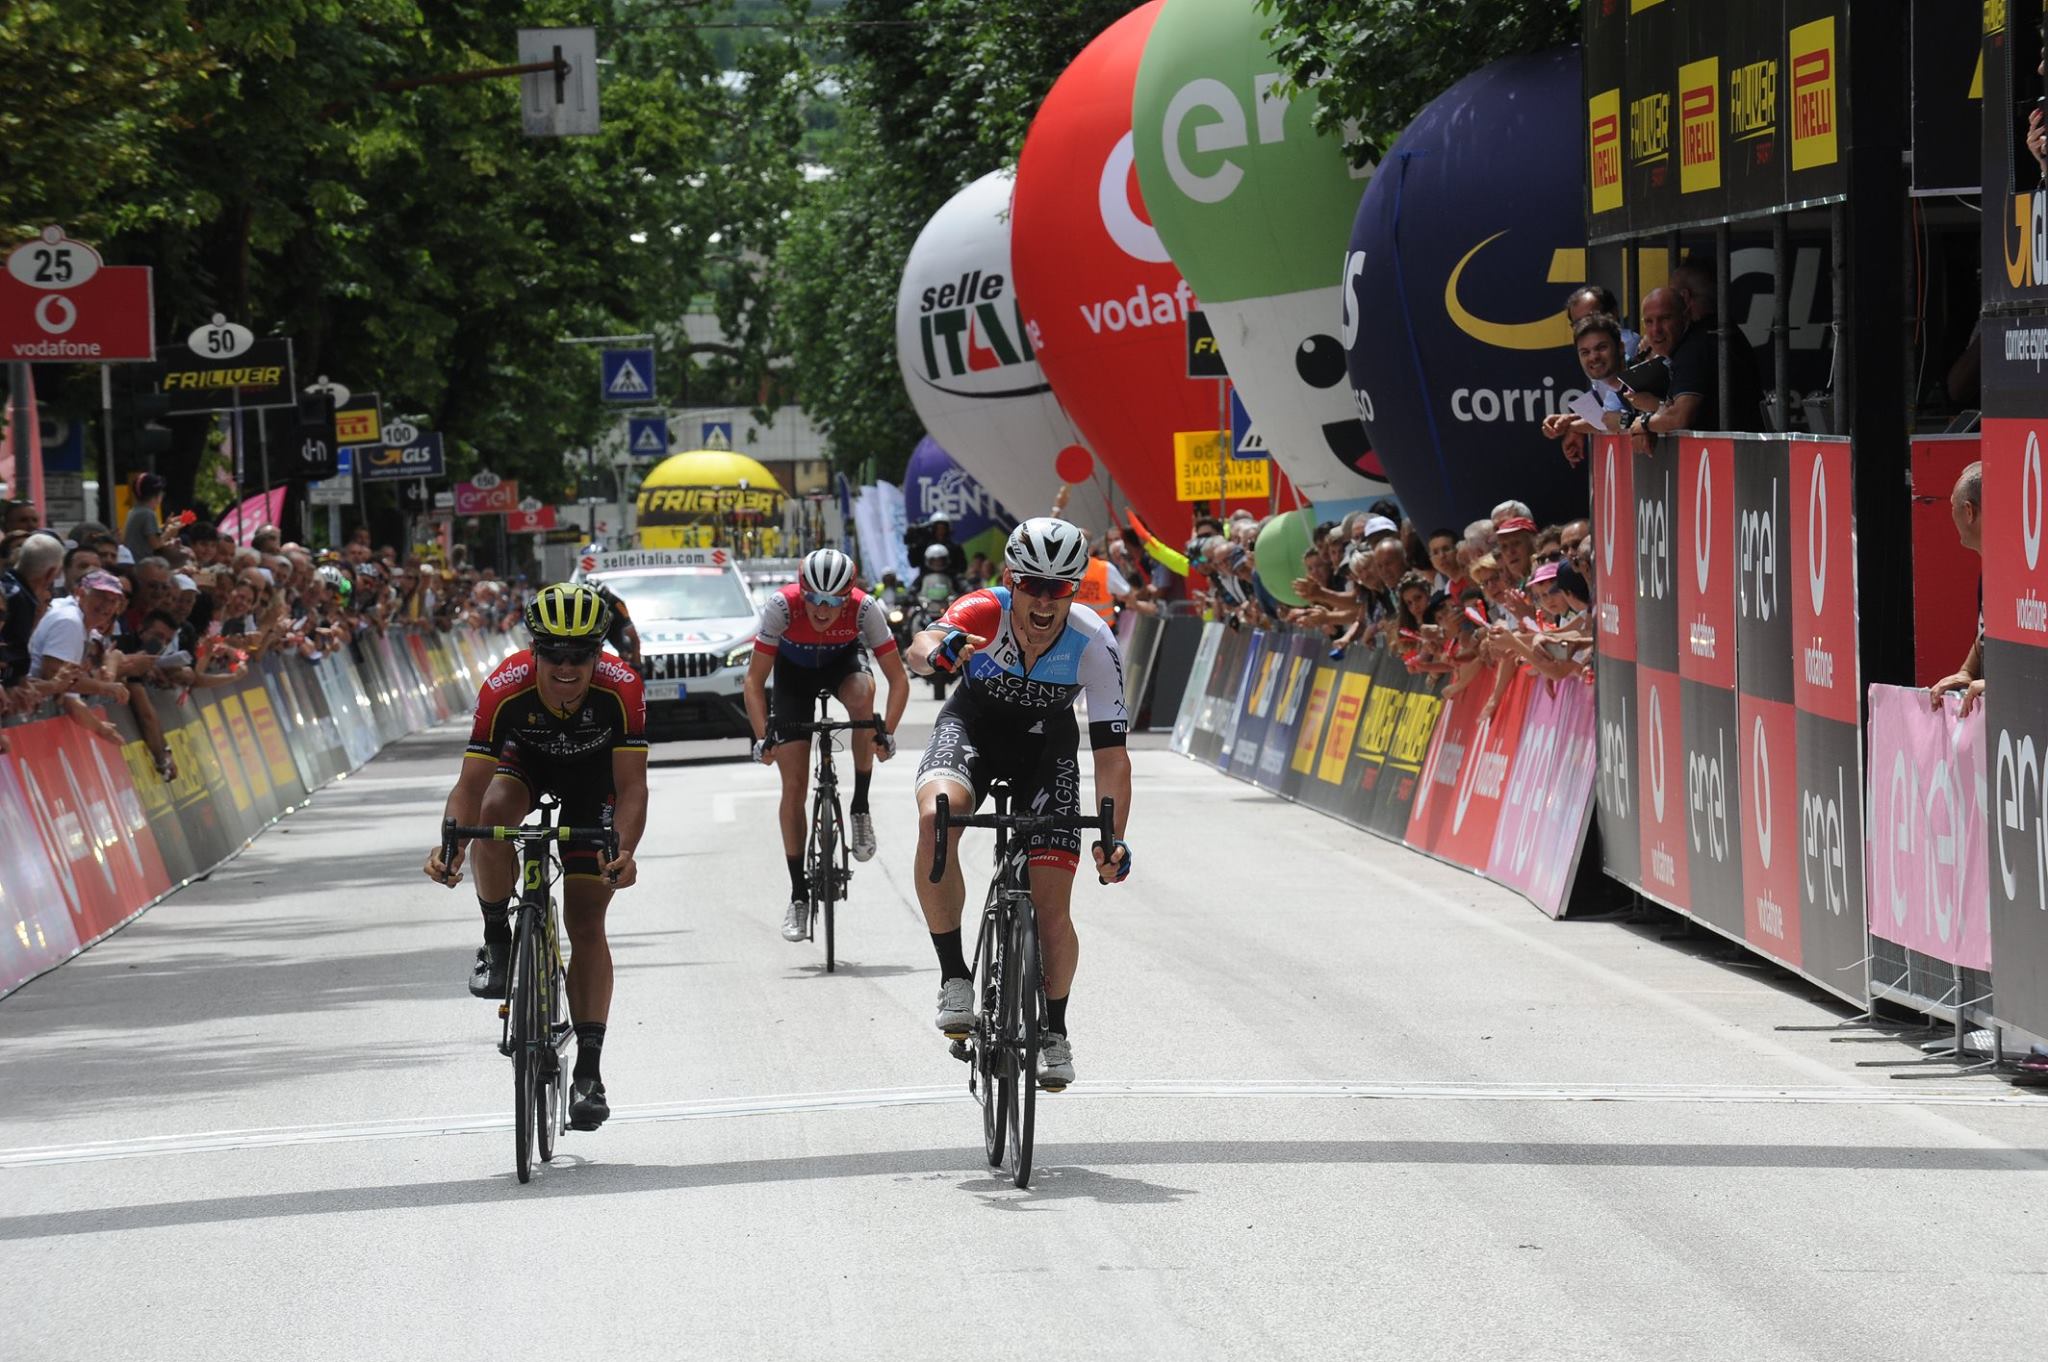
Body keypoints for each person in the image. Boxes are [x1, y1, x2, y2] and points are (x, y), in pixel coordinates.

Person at [905, 518, 1134, 1090]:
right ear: (1011, 579)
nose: (1043, 599)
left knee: (1053, 906)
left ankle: (1054, 1031)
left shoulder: (1094, 642)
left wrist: (1113, 838)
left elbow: (1111, 757)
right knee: (937, 818)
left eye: (1059, 589)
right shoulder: (985, 608)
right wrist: (940, 652)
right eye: (1031, 584)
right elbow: (921, 644)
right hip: (973, 728)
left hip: (1045, 749)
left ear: (1075, 589)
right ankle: (955, 975)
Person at [423, 582, 648, 1132]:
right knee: (494, 811)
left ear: (601, 653)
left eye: (581, 656)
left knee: (586, 919)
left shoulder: (623, 687)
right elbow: (469, 785)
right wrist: (451, 843)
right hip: (527, 764)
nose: (566, 667)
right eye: (553, 654)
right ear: (535, 651)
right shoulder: (506, 684)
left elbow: (633, 787)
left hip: (595, 783)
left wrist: (625, 850)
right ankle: (498, 939)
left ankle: (589, 1073)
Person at [745, 548, 910, 941]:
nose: (822, 609)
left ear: (848, 595)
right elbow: (753, 681)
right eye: (814, 598)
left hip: (842, 664)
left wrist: (885, 730)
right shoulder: (781, 607)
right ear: (800, 592)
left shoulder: (864, 609)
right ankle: (799, 896)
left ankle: (860, 807)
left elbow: (898, 680)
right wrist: (761, 737)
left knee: (861, 695)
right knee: (795, 786)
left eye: (833, 600)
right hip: (793, 676)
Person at [1931, 461, 1986, 715]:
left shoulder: (2023, 573)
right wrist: (1967, 671)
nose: (1949, 513)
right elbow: (1987, 630)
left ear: (1968, 511)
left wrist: (1999, 686)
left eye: (1952, 505)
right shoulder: (1989, 571)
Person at [122, 472, 174, 565]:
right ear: (157, 496)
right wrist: (169, 533)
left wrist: (165, 526)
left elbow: (145, 535)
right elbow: (156, 544)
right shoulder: (148, 514)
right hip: (142, 565)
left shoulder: (134, 511)